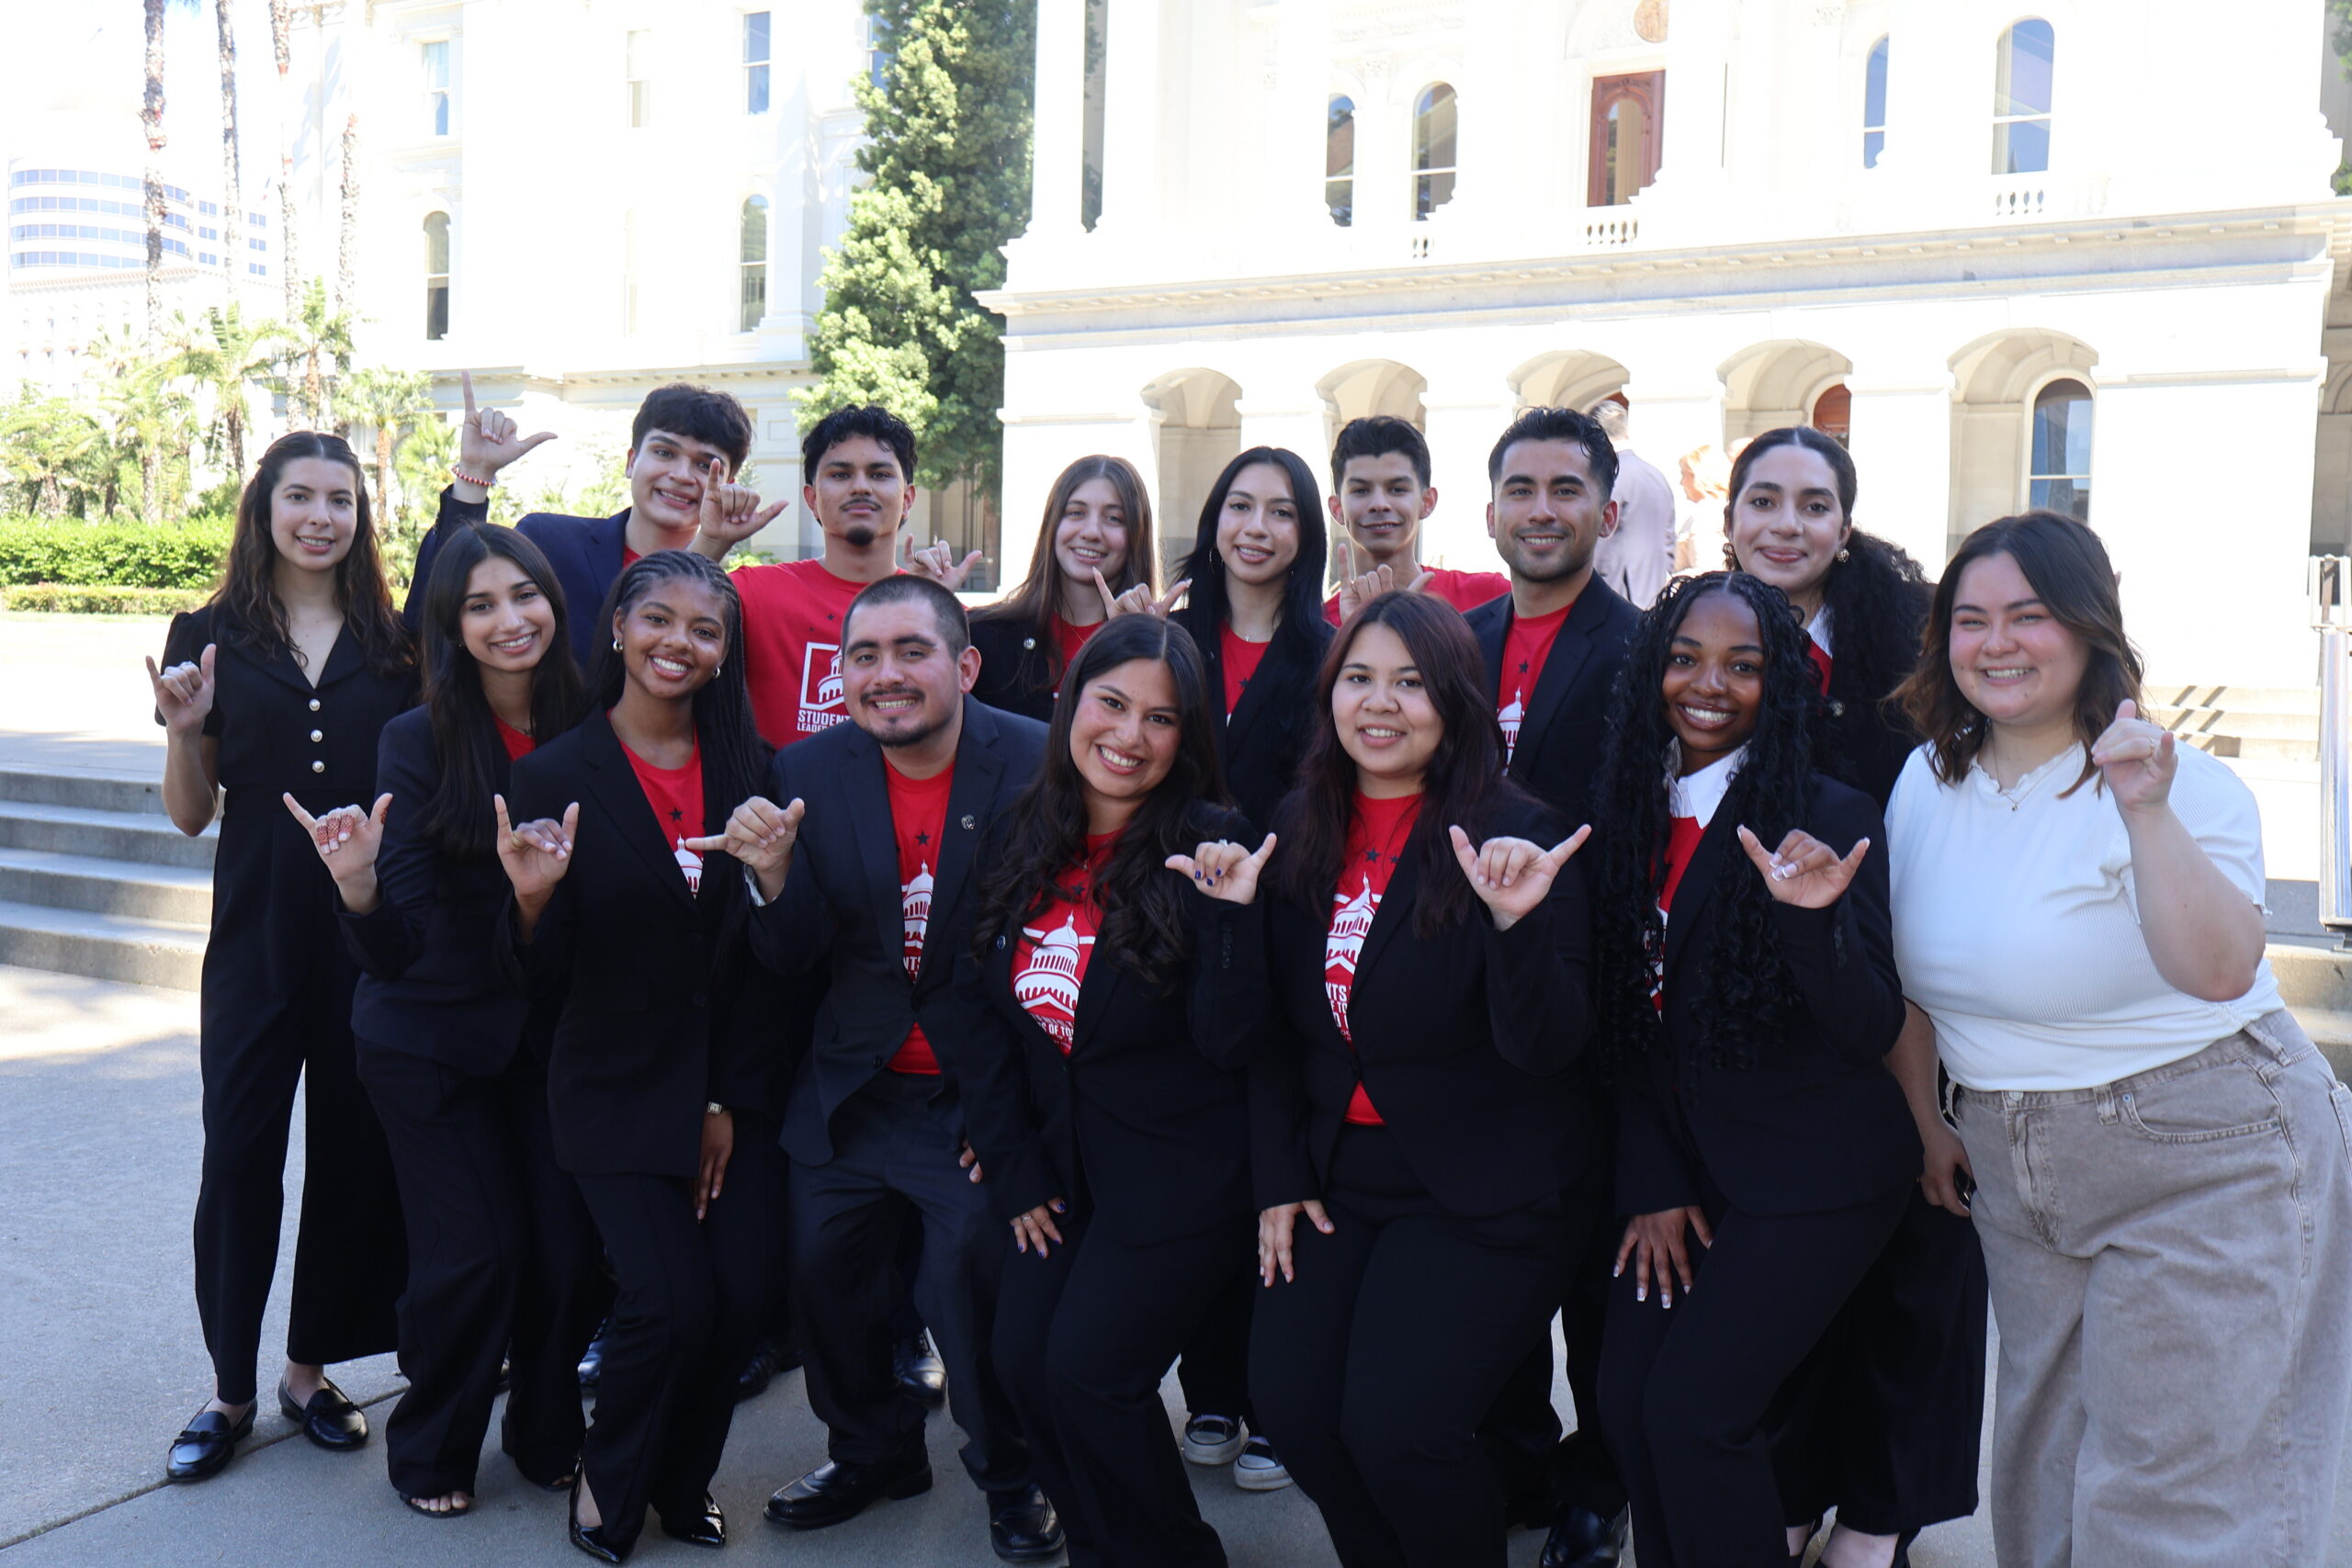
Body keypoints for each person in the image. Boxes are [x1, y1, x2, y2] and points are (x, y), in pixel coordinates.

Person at [1886, 511, 2352, 1568]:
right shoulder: (1927, 780)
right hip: (2011, 1157)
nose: (1995, 643)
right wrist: (1928, 1121)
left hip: (2202, 1148)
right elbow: (1910, 987)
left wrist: (2145, 811)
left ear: (2091, 628)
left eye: (2028, 615)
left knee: (2176, 1494)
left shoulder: (2176, 781)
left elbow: (2219, 969)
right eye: (1969, 620)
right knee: (2041, 1477)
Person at [1241, 591, 1603, 1568]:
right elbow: (1275, 1030)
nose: (1379, 703)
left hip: (1484, 1187)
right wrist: (1279, 1174)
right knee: (1297, 1413)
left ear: (1454, 702)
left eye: (1409, 682)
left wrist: (1518, 927)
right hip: (1337, 1174)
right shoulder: (1301, 822)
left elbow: (1549, 1049)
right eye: (1358, 677)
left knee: (1401, 1429)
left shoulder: (1518, 831)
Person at [720, 574, 1061, 1564]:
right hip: (851, 1090)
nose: (885, 675)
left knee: (969, 1286)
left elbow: (1055, 959)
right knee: (826, 1282)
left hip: (976, 1096)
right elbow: (791, 962)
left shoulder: (1039, 765)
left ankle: (1010, 1473)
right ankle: (872, 1451)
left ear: (963, 664)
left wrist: (1011, 1123)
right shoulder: (809, 770)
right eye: (863, 656)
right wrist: (773, 881)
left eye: (910, 651)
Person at [1587, 570, 1916, 1568]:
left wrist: (1811, 926)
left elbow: (1866, 1027)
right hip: (1685, 1172)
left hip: (1814, 1176)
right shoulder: (1627, 809)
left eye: (1743, 665)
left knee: (1696, 1417)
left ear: (1784, 685)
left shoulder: (1828, 810)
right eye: (1685, 657)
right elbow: (1623, 1022)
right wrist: (1649, 1181)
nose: (1708, 684)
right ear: (1652, 669)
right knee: (1624, 1406)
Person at [287, 524, 602, 1517]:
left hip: (550, 1039)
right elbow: (402, 950)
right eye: (480, 605)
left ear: (555, 602)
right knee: (478, 1255)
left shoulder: (593, 724)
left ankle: (550, 1431)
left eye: (525, 596)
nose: (510, 621)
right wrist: (360, 890)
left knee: (565, 1247)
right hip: (426, 1042)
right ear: (451, 626)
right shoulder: (416, 741)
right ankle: (431, 1450)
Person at [946, 613, 1272, 1567]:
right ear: (1070, 703)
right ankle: (1101, 1547)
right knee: (1019, 1366)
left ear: (1187, 738)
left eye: (1160, 719)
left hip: (1179, 1178)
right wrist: (1010, 1165)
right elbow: (968, 1003)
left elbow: (1233, 1040)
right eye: (1112, 703)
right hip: (1055, 1167)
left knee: (1090, 1376)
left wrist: (1226, 922)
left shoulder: (1213, 843)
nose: (1129, 737)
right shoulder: (1021, 823)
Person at [1721, 426, 1984, 1568]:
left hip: (1905, 987)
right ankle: (1785, 1489)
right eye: (1762, 501)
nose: (1785, 524)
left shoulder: (1900, 654)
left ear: (1844, 524)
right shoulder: (1696, 638)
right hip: (1758, 1007)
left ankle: (1877, 1519)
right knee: (1787, 1283)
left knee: (1915, 1270)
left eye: (1811, 505)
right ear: (1726, 516)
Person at [493, 549, 782, 1562]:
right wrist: (530, 902)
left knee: (740, 1299)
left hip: (726, 1090)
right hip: (610, 1086)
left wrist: (721, 1099)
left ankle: (680, 1479)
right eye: (658, 619)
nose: (680, 643)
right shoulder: (551, 773)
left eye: (705, 630)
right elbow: (544, 979)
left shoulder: (754, 771)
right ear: (616, 626)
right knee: (668, 1299)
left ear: (722, 653)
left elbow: (763, 966)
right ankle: (604, 1482)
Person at [147, 431, 413, 1483]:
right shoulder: (209, 634)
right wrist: (182, 732)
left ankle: (309, 1372)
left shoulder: (395, 642)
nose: (319, 516)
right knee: (240, 1156)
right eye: (297, 496)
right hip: (254, 935)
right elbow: (187, 816)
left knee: (354, 1152)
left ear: (359, 515)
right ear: (263, 510)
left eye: (338, 499)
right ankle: (229, 1389)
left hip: (362, 931)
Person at [1459, 406, 1640, 1568]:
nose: (1540, 509)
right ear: (1490, 511)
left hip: (1602, 999)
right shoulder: (1451, 639)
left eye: (1564, 489)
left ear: (1605, 511)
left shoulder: (1641, 646)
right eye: (1519, 489)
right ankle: (1515, 1456)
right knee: (1495, 1252)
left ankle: (1597, 1483)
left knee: (1600, 1274)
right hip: (1468, 1001)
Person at [1168, 444, 1333, 1488]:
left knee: (1280, 1151)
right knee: (1194, 1165)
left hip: (1286, 919)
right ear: (1214, 520)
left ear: (1305, 534)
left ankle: (1275, 1398)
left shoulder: (1327, 649)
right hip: (1171, 915)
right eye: (1241, 506)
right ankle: (1213, 1387)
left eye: (1280, 511)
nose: (1257, 527)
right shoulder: (1163, 636)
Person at [408, 375, 781, 668]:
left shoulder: (732, 599)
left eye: (705, 465)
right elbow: (435, 615)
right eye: (664, 452)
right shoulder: (549, 542)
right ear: (631, 461)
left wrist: (711, 547)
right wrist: (474, 475)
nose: (682, 475)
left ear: (729, 485)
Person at [691, 403, 978, 747]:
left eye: (879, 474)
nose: (861, 487)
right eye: (841, 475)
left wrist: (930, 607)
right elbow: (652, 618)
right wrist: (711, 541)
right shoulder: (754, 592)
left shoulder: (945, 612)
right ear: (812, 500)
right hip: (775, 798)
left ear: (908, 499)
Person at [970, 455, 1181, 722]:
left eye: (1114, 518)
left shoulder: (1165, 648)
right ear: (1053, 524)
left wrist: (1144, 644)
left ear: (1136, 536)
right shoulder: (984, 636)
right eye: (1076, 513)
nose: (1092, 532)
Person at [1319, 415, 1507, 624]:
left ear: (1427, 501)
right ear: (1337, 508)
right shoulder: (1319, 624)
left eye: (1397, 489)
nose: (1379, 504)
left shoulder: (1490, 596)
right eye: (1361, 490)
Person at [1586, 400, 1676, 611]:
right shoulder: (1656, 475)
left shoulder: (1611, 475)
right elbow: (1669, 537)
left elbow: (1599, 536)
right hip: (1653, 587)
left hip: (1616, 588)